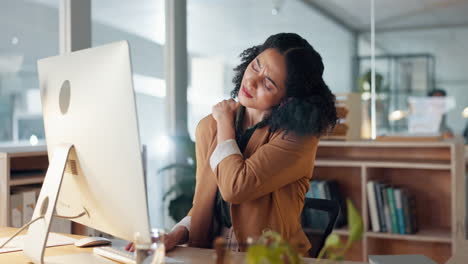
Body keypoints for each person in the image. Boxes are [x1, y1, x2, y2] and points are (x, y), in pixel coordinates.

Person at [127, 33, 337, 256]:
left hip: (269, 258)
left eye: (268, 83)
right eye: (256, 66)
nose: (251, 81)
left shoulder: (298, 137)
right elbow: (204, 201)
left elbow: (235, 187)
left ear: (288, 99)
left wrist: (225, 125)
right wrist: (175, 235)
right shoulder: (209, 126)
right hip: (210, 254)